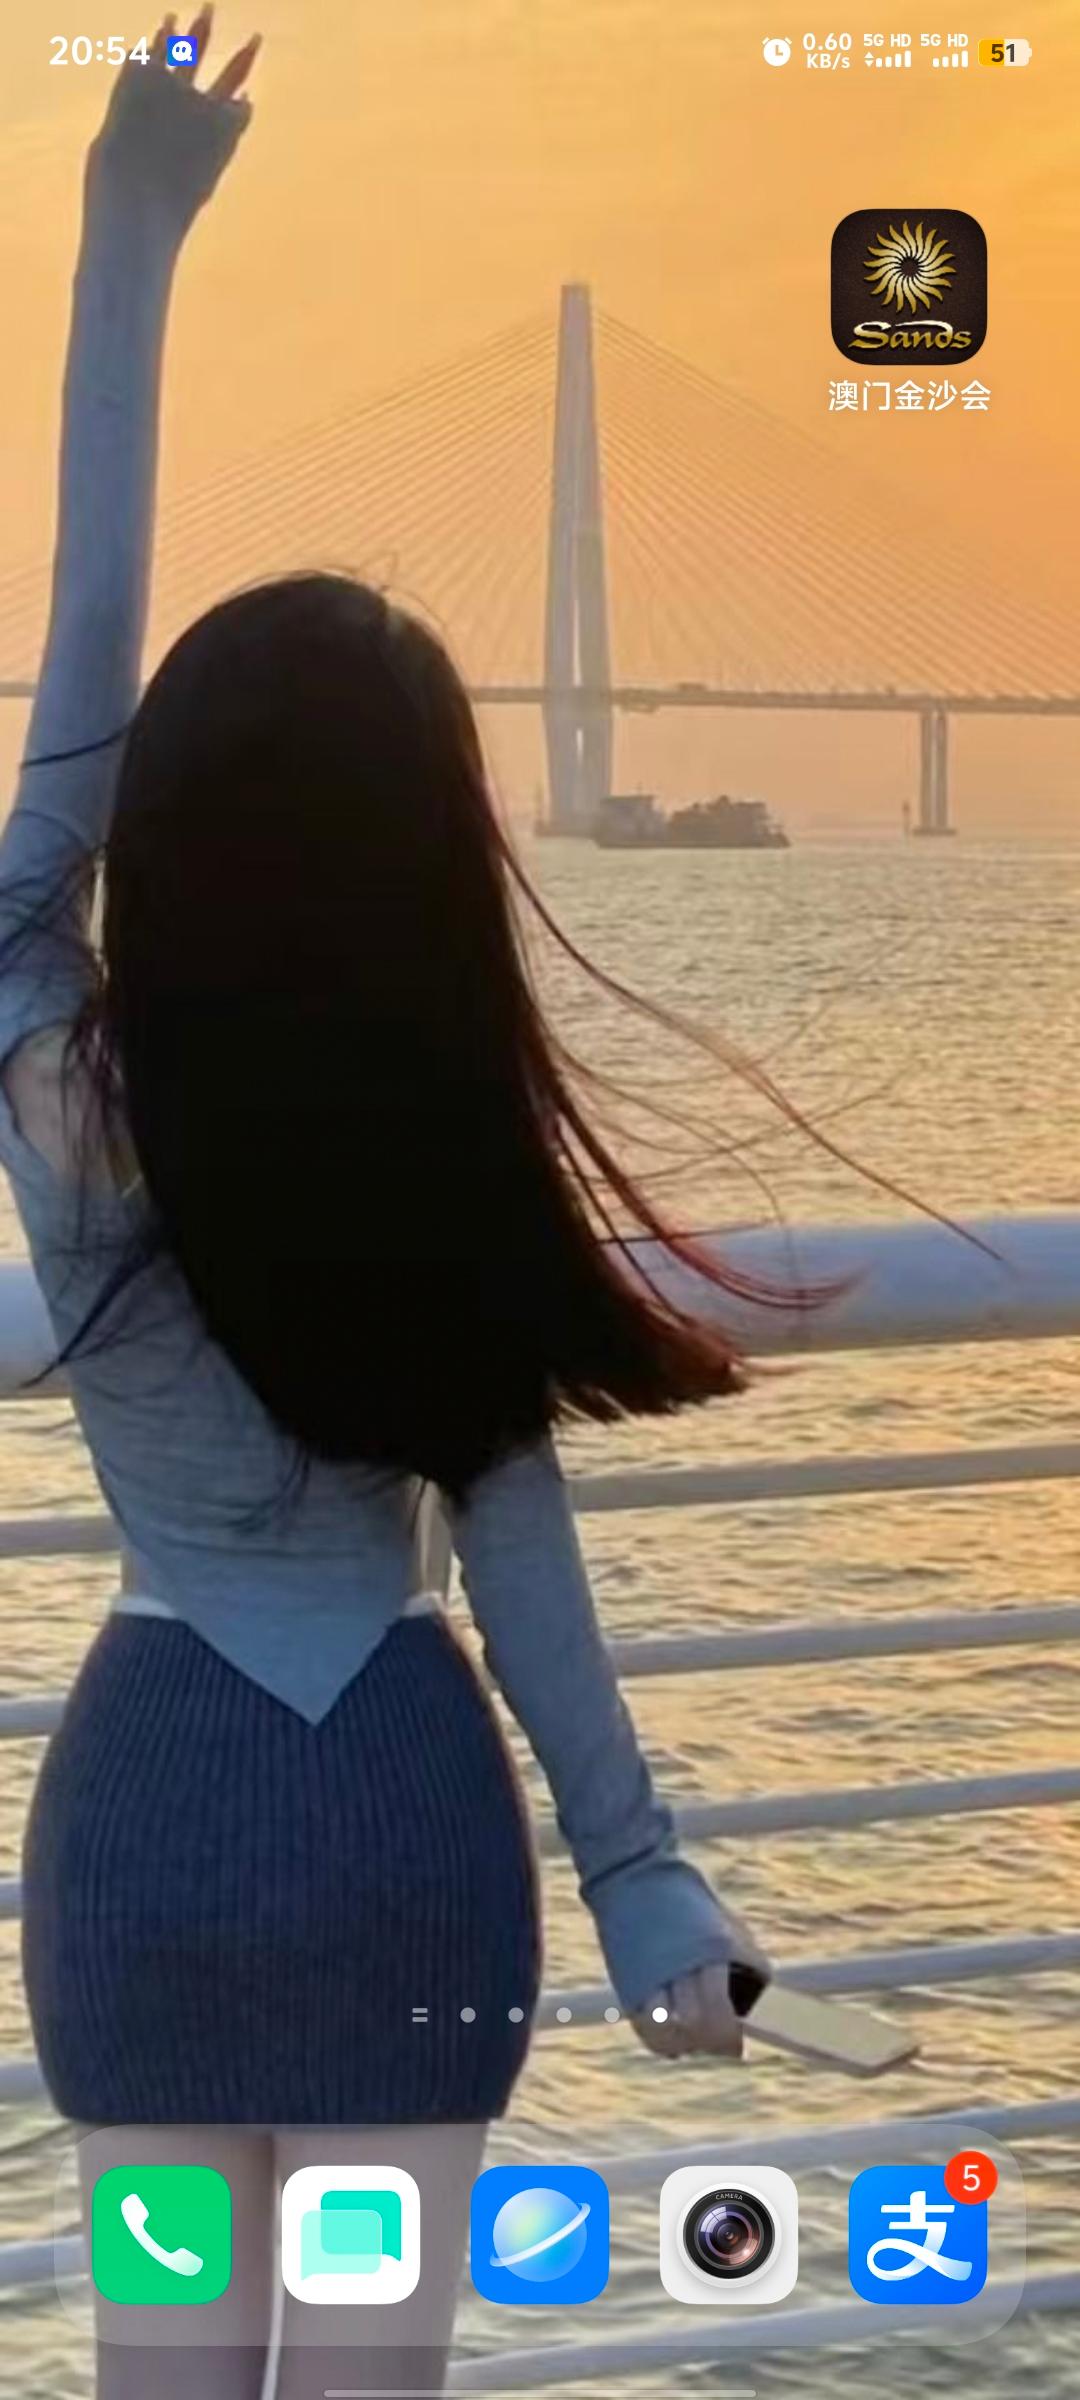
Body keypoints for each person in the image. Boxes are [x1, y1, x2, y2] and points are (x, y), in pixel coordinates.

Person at [0, 17, 770, 2397]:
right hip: (397, 1858)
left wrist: (128, 240)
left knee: (163, 2376)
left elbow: (73, 697)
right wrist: (642, 1881)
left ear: (169, 840)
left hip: (143, 1849)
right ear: (439, 880)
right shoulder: (446, 1164)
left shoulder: (69, 1101)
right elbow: (519, 1559)